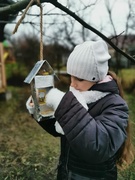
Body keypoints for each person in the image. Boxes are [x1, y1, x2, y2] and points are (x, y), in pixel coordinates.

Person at [26, 39, 134, 180]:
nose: (73, 83)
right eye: (71, 76)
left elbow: (99, 147)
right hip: (67, 172)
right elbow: (64, 129)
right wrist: (41, 110)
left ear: (97, 77)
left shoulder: (115, 105)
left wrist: (61, 103)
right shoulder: (79, 94)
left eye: (80, 79)